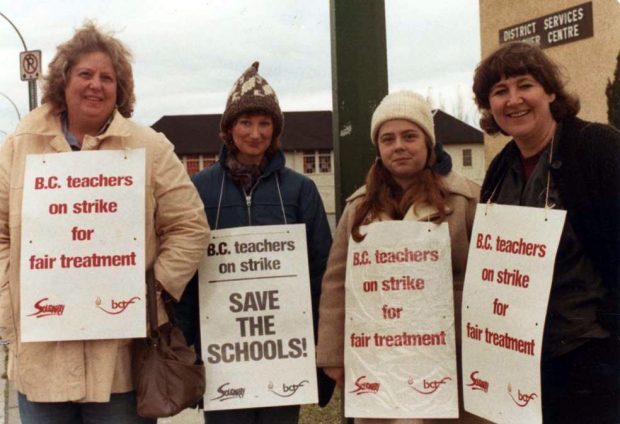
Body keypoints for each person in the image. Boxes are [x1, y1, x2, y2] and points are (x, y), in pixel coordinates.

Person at [0, 23, 210, 423]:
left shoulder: (149, 146)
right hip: (41, 358)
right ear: (63, 81)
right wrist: (10, 298)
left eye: (107, 78)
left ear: (120, 88)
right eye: (85, 74)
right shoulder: (18, 145)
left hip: (121, 362)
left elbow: (189, 226)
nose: (96, 85)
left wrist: (151, 290)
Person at [175, 61, 334, 424]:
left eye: (265, 123)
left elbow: (320, 271)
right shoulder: (200, 189)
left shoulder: (300, 190)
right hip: (222, 354)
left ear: (275, 130)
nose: (255, 133)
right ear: (229, 129)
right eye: (245, 122)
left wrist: (317, 344)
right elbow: (186, 272)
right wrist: (187, 344)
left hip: (283, 352)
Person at [316, 90, 488, 424]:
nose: (399, 146)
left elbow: (487, 279)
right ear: (378, 148)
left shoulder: (466, 200)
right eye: (388, 138)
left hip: (452, 358)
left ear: (428, 144)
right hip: (380, 360)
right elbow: (337, 283)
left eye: (409, 136)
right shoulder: (358, 208)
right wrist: (333, 353)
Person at [473, 41, 620, 423]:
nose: (514, 99)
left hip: (591, 354)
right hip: (523, 357)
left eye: (525, 85)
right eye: (500, 91)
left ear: (550, 91)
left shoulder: (597, 147)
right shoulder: (500, 170)